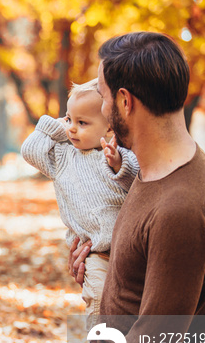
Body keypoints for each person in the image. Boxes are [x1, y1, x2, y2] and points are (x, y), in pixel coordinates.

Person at [0, 32, 205, 343]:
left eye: (102, 96)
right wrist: (103, 258)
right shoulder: (147, 170)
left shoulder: (182, 207)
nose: (98, 107)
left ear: (124, 101)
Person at [20, 78, 138, 326]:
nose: (72, 128)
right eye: (69, 119)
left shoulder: (116, 154)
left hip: (129, 250)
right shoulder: (63, 156)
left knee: (127, 306)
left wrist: (118, 163)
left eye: (82, 122)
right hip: (95, 253)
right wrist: (55, 126)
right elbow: (31, 151)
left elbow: (136, 180)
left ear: (108, 128)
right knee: (97, 300)